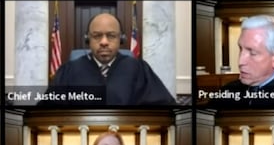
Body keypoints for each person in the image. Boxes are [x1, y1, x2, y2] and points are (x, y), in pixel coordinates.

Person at [42, 13, 177, 106]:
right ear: (87, 39)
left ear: (121, 39)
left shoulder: (138, 69)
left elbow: (164, 107)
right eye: (97, 36)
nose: (104, 42)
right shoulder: (69, 71)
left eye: (111, 36)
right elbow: (46, 110)